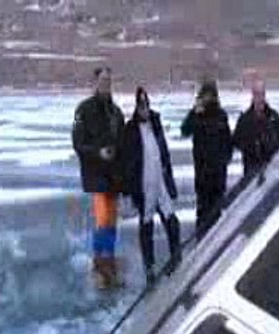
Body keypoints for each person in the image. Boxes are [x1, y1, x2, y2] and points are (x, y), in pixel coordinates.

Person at [72, 66, 125, 289]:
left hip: (114, 175)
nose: (106, 85)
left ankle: (109, 262)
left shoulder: (115, 112)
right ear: (94, 83)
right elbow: (78, 143)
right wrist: (98, 152)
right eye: (102, 81)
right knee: (102, 221)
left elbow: (122, 143)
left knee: (111, 223)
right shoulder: (84, 110)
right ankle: (100, 265)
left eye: (109, 82)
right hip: (96, 174)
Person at [121, 87, 181, 287]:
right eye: (141, 106)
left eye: (146, 105)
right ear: (137, 107)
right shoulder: (130, 130)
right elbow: (128, 161)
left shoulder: (156, 123)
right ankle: (150, 268)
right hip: (144, 184)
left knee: (171, 219)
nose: (144, 109)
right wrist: (129, 190)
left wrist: (169, 180)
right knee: (146, 223)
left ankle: (176, 257)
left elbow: (164, 153)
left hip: (160, 180)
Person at [181, 79, 232, 240]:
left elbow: (228, 141)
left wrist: (224, 160)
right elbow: (185, 130)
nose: (209, 99)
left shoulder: (221, 116)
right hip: (202, 175)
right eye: (206, 96)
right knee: (203, 213)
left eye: (212, 95)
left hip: (218, 175)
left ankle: (215, 244)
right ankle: (201, 243)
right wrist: (194, 112)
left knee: (216, 214)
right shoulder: (197, 115)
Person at [232, 78, 279, 178]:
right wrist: (251, 146)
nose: (260, 97)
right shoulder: (245, 119)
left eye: (262, 94)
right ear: (253, 95)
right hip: (251, 169)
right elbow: (236, 141)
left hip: (271, 169)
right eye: (257, 94)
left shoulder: (273, 116)